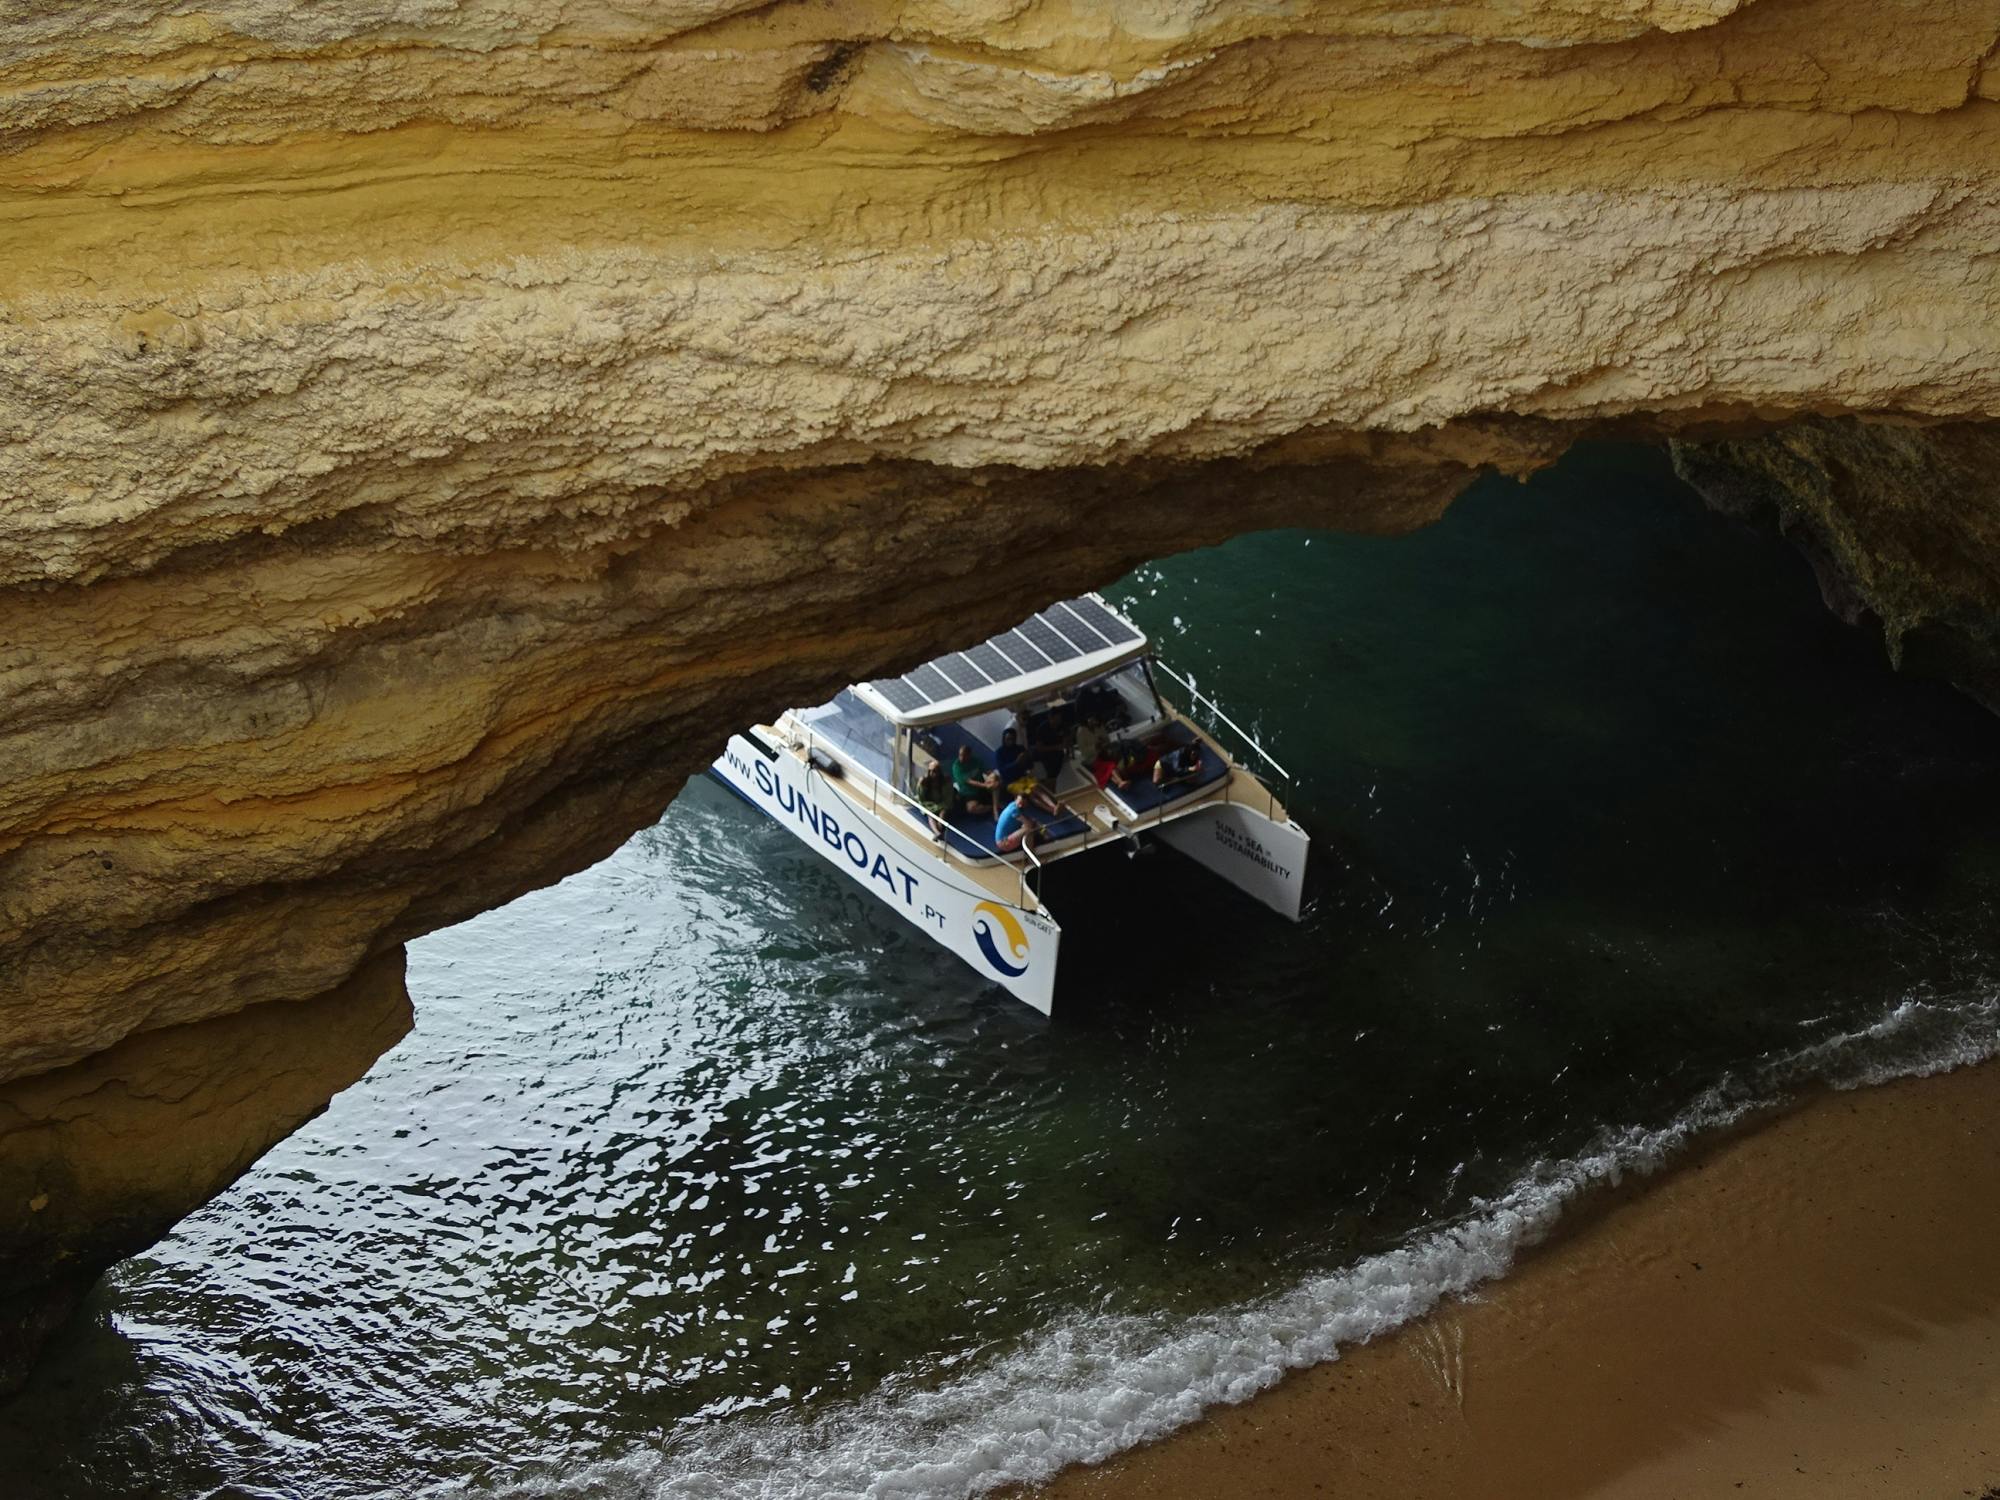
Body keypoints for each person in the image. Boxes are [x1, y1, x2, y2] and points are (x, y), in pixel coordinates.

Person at [995, 727, 1062, 815]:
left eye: (1013, 739)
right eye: (1008, 739)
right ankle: (1051, 810)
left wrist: (1028, 766)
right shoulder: (999, 752)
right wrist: (1016, 763)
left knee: (1037, 789)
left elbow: (1029, 763)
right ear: (1004, 739)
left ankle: (1054, 806)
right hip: (1011, 782)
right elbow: (1002, 770)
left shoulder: (1020, 748)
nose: (1010, 741)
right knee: (1031, 795)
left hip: (1023, 777)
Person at [950, 744, 1001, 816]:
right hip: (969, 793)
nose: (961, 757)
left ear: (969, 755)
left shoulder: (976, 761)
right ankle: (991, 808)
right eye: (960, 755)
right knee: (971, 809)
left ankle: (996, 808)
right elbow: (969, 781)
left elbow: (986, 771)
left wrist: (994, 776)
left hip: (981, 787)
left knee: (995, 778)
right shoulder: (956, 766)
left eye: (964, 755)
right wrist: (986, 785)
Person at [915, 759, 953, 839]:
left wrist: (942, 806)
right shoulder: (924, 781)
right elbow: (922, 798)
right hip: (929, 804)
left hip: (942, 803)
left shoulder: (945, 780)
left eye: (935, 771)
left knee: (943, 813)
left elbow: (948, 797)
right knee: (930, 814)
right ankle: (937, 832)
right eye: (931, 771)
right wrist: (931, 806)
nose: (933, 774)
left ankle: (939, 830)